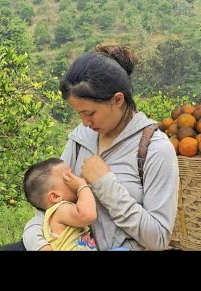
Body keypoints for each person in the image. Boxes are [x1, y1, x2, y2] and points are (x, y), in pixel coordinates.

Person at [23, 45, 179, 251]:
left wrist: (105, 185)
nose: (86, 123)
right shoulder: (81, 139)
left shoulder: (155, 150)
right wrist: (39, 244)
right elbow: (48, 204)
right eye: (79, 115)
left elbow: (158, 239)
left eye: (91, 113)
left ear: (117, 100)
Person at [23, 157, 97, 251]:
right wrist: (82, 186)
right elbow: (88, 215)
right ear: (55, 196)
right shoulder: (60, 209)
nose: (78, 179)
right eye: (69, 177)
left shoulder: (65, 209)